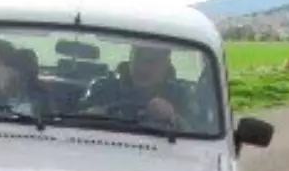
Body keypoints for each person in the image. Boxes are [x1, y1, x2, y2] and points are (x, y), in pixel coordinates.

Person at [79, 42, 211, 131]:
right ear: (130, 59)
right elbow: (73, 125)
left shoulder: (181, 95)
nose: (143, 68)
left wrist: (172, 116)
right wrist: (92, 116)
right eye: (139, 59)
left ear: (166, 64)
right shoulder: (103, 87)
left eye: (152, 61)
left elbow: (201, 134)